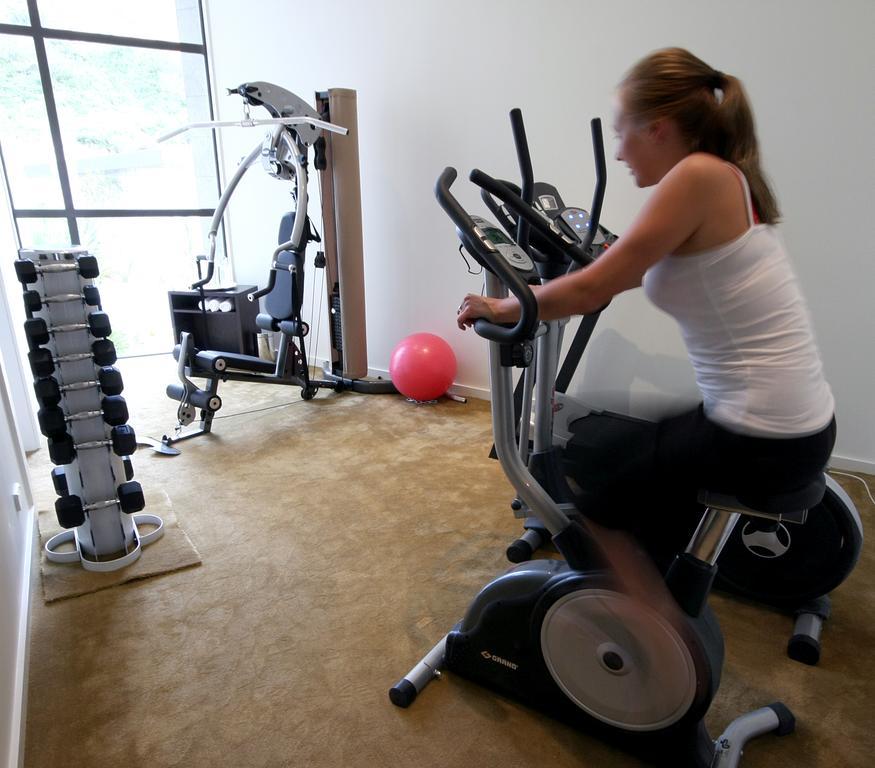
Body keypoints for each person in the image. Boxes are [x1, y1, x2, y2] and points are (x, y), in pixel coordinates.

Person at [456, 47, 836, 567]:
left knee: (606, 485)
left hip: (760, 437)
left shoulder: (696, 176)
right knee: (640, 455)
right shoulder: (726, 177)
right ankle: (657, 593)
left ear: (657, 128)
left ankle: (636, 630)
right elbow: (626, 269)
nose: (618, 152)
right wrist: (601, 264)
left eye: (622, 132)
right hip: (793, 426)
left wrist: (505, 308)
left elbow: (592, 290)